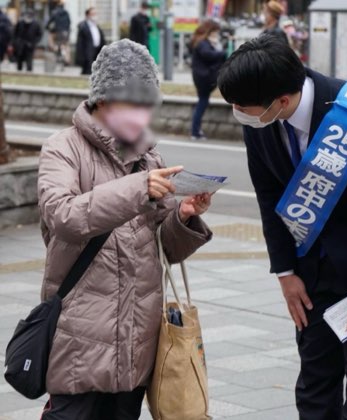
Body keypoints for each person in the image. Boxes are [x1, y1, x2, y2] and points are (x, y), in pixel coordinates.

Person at [217, 35, 347, 420]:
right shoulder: (260, 118)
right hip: (312, 278)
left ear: (280, 101)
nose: (238, 114)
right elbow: (269, 196)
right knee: (313, 392)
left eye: (243, 108)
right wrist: (285, 272)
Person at [38, 39, 213, 420]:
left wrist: (183, 216)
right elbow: (63, 216)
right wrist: (139, 188)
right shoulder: (62, 149)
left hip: (137, 341)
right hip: (78, 342)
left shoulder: (149, 157)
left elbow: (163, 248)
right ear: (102, 100)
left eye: (146, 106)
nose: (141, 116)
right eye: (132, 104)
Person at [190, 20, 226, 141]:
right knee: (203, 102)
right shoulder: (203, 43)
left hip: (203, 77)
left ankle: (196, 130)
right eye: (215, 32)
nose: (216, 35)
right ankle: (195, 131)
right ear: (210, 31)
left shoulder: (202, 42)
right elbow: (208, 55)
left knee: (203, 101)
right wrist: (222, 52)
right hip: (204, 78)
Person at [76, 7, 106, 75]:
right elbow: (80, 43)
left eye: (95, 14)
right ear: (87, 15)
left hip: (97, 50)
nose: (94, 16)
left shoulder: (96, 25)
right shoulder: (83, 26)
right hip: (87, 53)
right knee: (88, 71)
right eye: (93, 14)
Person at [46, 0, 71, 65]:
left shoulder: (54, 12)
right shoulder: (66, 12)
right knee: (65, 45)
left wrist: (46, 27)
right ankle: (67, 58)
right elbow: (69, 22)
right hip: (66, 32)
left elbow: (49, 22)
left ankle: (56, 49)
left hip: (57, 31)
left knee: (51, 40)